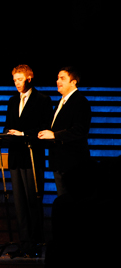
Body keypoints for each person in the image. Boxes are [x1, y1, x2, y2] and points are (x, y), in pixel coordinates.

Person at [3, 65, 52, 257]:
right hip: (16, 157)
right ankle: (24, 242)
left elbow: (44, 128)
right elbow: (8, 125)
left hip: (32, 156)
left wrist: (23, 134)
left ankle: (36, 242)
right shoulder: (12, 100)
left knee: (33, 201)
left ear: (29, 79)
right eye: (14, 79)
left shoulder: (42, 100)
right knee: (20, 204)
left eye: (20, 79)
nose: (16, 83)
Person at [38, 66, 91, 196]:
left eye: (62, 78)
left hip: (73, 164)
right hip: (59, 162)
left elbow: (80, 130)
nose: (57, 81)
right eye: (57, 78)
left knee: (74, 202)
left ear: (73, 82)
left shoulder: (80, 101)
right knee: (64, 203)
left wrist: (54, 135)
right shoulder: (61, 102)